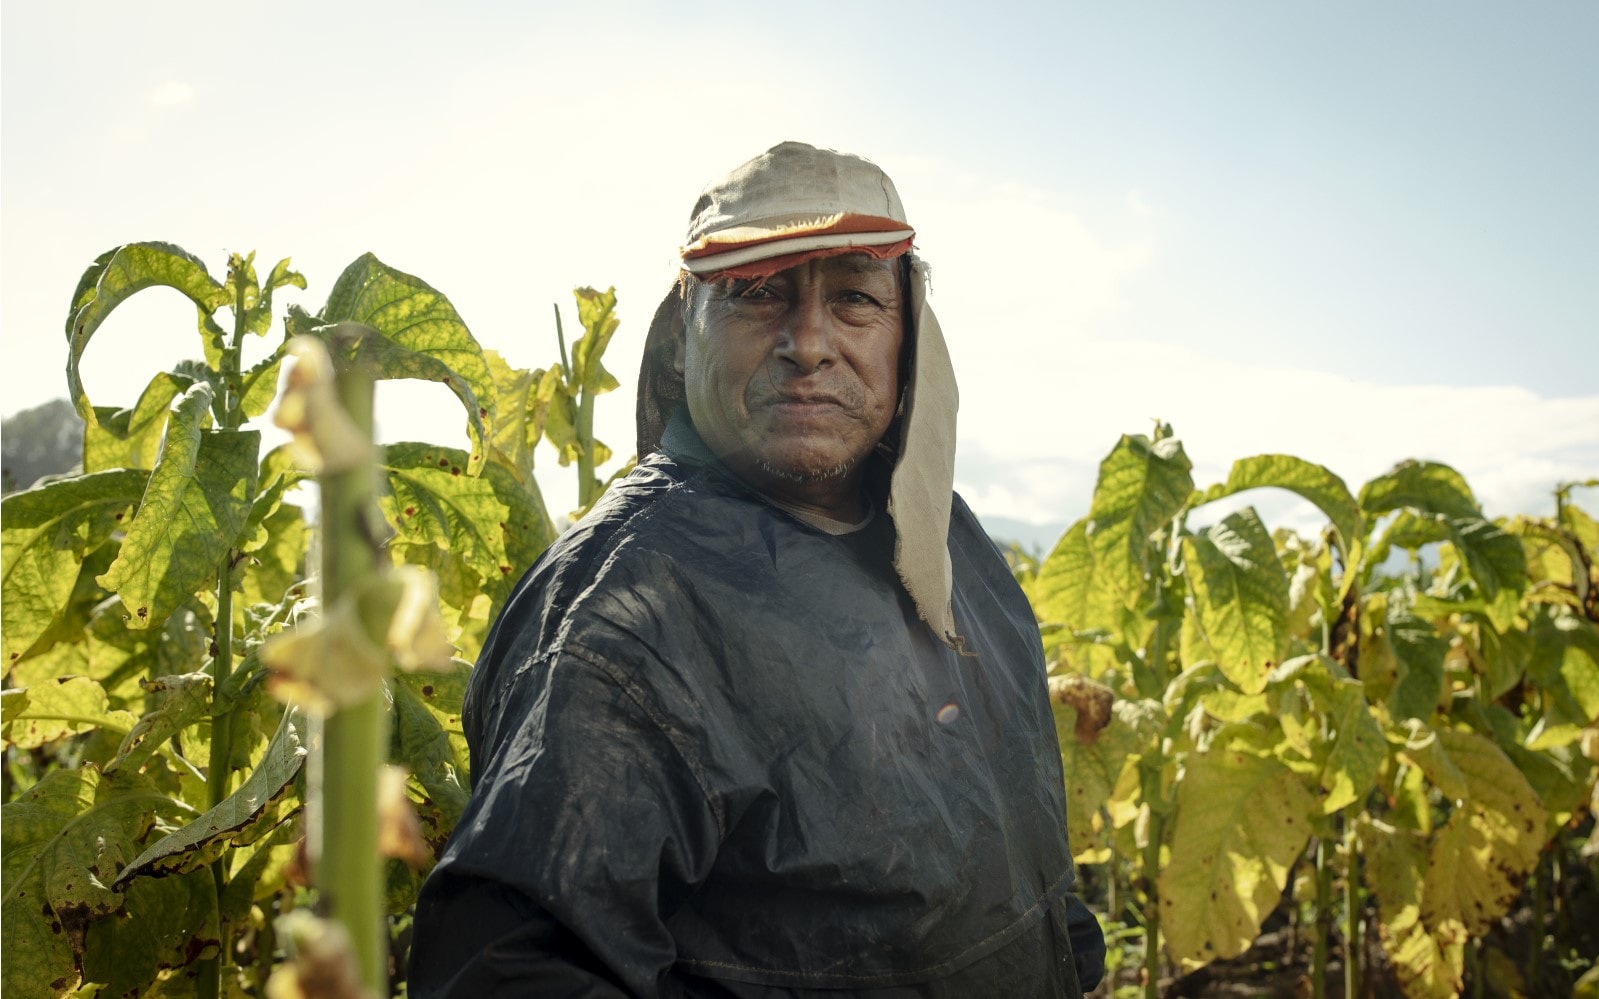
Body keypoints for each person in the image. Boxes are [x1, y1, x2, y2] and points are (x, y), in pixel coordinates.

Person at [409, 141, 1106, 997]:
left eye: (853, 296)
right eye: (756, 292)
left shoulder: (951, 543)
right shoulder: (626, 611)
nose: (807, 342)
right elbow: (507, 974)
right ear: (680, 340)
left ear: (908, 339)